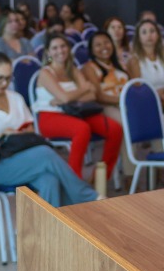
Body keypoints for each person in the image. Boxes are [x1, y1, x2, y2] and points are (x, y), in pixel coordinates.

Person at [0, 55, 96, 207]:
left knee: (50, 180)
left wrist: (21, 134)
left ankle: (52, 227)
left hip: (21, 154)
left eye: (8, 78)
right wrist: (0, 137)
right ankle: (87, 198)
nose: (4, 83)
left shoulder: (15, 98)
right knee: (45, 153)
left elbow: (29, 128)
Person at [32, 33, 122, 180]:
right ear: (48, 52)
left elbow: (92, 95)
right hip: (50, 117)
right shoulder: (45, 73)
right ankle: (74, 180)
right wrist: (82, 89)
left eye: (63, 46)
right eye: (55, 48)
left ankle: (101, 178)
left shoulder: (73, 70)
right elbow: (66, 97)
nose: (60, 51)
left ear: (68, 48)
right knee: (82, 129)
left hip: (76, 112)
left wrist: (66, 98)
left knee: (115, 129)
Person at [81, 30, 129, 123]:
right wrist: (122, 100)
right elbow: (98, 96)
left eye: (106, 42)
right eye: (98, 45)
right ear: (92, 50)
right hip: (106, 106)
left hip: (126, 103)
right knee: (126, 121)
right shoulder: (89, 68)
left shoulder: (120, 64)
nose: (104, 47)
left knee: (159, 118)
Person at [125, 18, 164, 101]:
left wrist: (163, 92)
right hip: (146, 101)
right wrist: (156, 94)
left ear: (158, 35)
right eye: (144, 32)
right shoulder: (134, 60)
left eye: (152, 31)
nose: (149, 35)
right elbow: (137, 87)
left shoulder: (163, 58)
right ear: (138, 37)